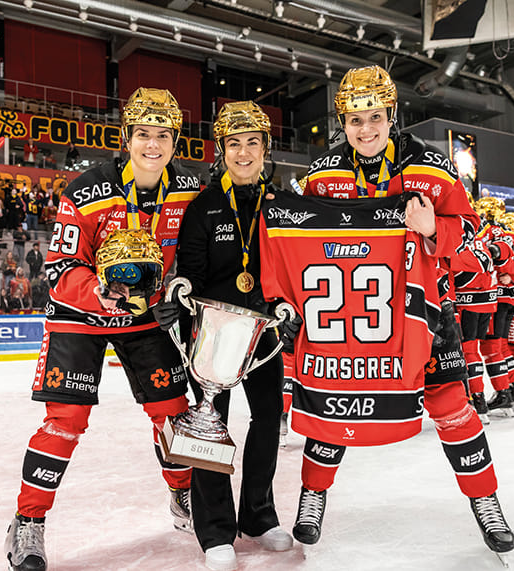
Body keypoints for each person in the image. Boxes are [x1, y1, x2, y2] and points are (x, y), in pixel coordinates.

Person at [278, 65, 514, 558]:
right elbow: (299, 242)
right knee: (332, 405)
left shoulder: (433, 166)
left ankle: (486, 502)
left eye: (375, 117)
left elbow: (474, 237)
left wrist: (434, 229)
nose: (365, 129)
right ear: (342, 122)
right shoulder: (322, 175)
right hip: (349, 315)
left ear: (392, 115)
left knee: (451, 405)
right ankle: (313, 496)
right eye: (354, 119)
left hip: (423, 311)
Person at [4, 87, 201, 571]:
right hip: (79, 314)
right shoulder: (85, 190)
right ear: (126, 138)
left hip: (145, 314)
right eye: (143, 134)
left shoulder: (189, 190)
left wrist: (177, 290)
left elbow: (195, 255)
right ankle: (28, 521)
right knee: (65, 422)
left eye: (163, 135)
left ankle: (183, 496)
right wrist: (98, 292)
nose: (152, 144)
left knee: (172, 413)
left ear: (175, 142)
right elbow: (59, 268)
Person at [153, 101, 297, 571]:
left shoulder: (283, 206)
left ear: (265, 148)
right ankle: (215, 529)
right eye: (234, 143)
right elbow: (191, 273)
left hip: (264, 331)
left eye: (252, 142)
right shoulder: (204, 206)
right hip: (214, 331)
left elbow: (292, 269)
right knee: (210, 422)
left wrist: (289, 307)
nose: (243, 152)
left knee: (268, 417)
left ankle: (259, 516)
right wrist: (177, 293)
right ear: (222, 150)